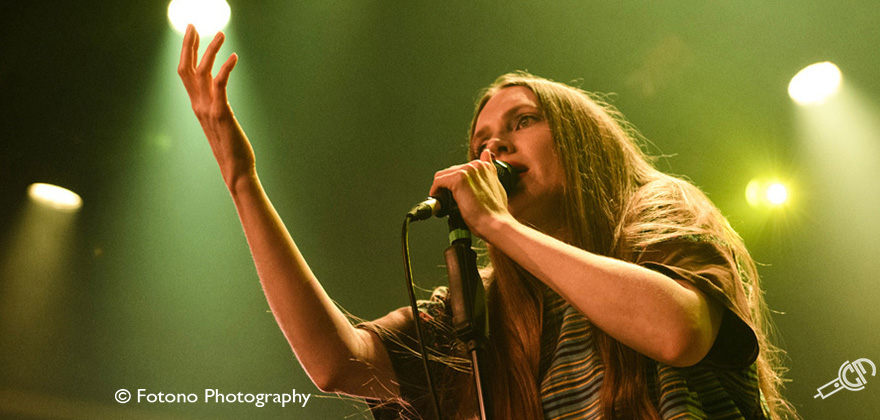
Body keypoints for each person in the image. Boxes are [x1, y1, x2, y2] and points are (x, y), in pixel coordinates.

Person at [178, 25, 797, 420]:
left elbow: (678, 332)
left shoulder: (658, 208)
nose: (493, 147)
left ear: (581, 141)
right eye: (481, 141)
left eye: (522, 122)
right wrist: (242, 182)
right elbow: (338, 363)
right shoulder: (483, 305)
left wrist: (499, 226)